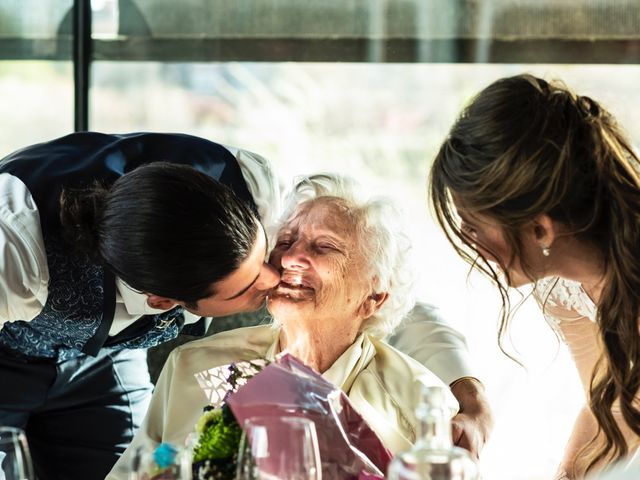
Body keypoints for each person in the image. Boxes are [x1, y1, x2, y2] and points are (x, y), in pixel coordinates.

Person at [107, 173, 465, 479]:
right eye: (286, 241)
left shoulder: (418, 401)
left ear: (373, 298)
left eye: (325, 247)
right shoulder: (194, 365)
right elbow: (137, 470)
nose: (292, 257)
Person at [0, 132, 281, 480]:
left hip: (105, 359)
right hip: (8, 353)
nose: (273, 278)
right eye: (248, 285)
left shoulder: (249, 187)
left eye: (264, 255)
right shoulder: (15, 249)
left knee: (139, 471)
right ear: (163, 303)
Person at [429, 74, 640, 478]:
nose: (470, 244)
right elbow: (608, 406)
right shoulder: (562, 289)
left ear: (540, 230)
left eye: (473, 227)